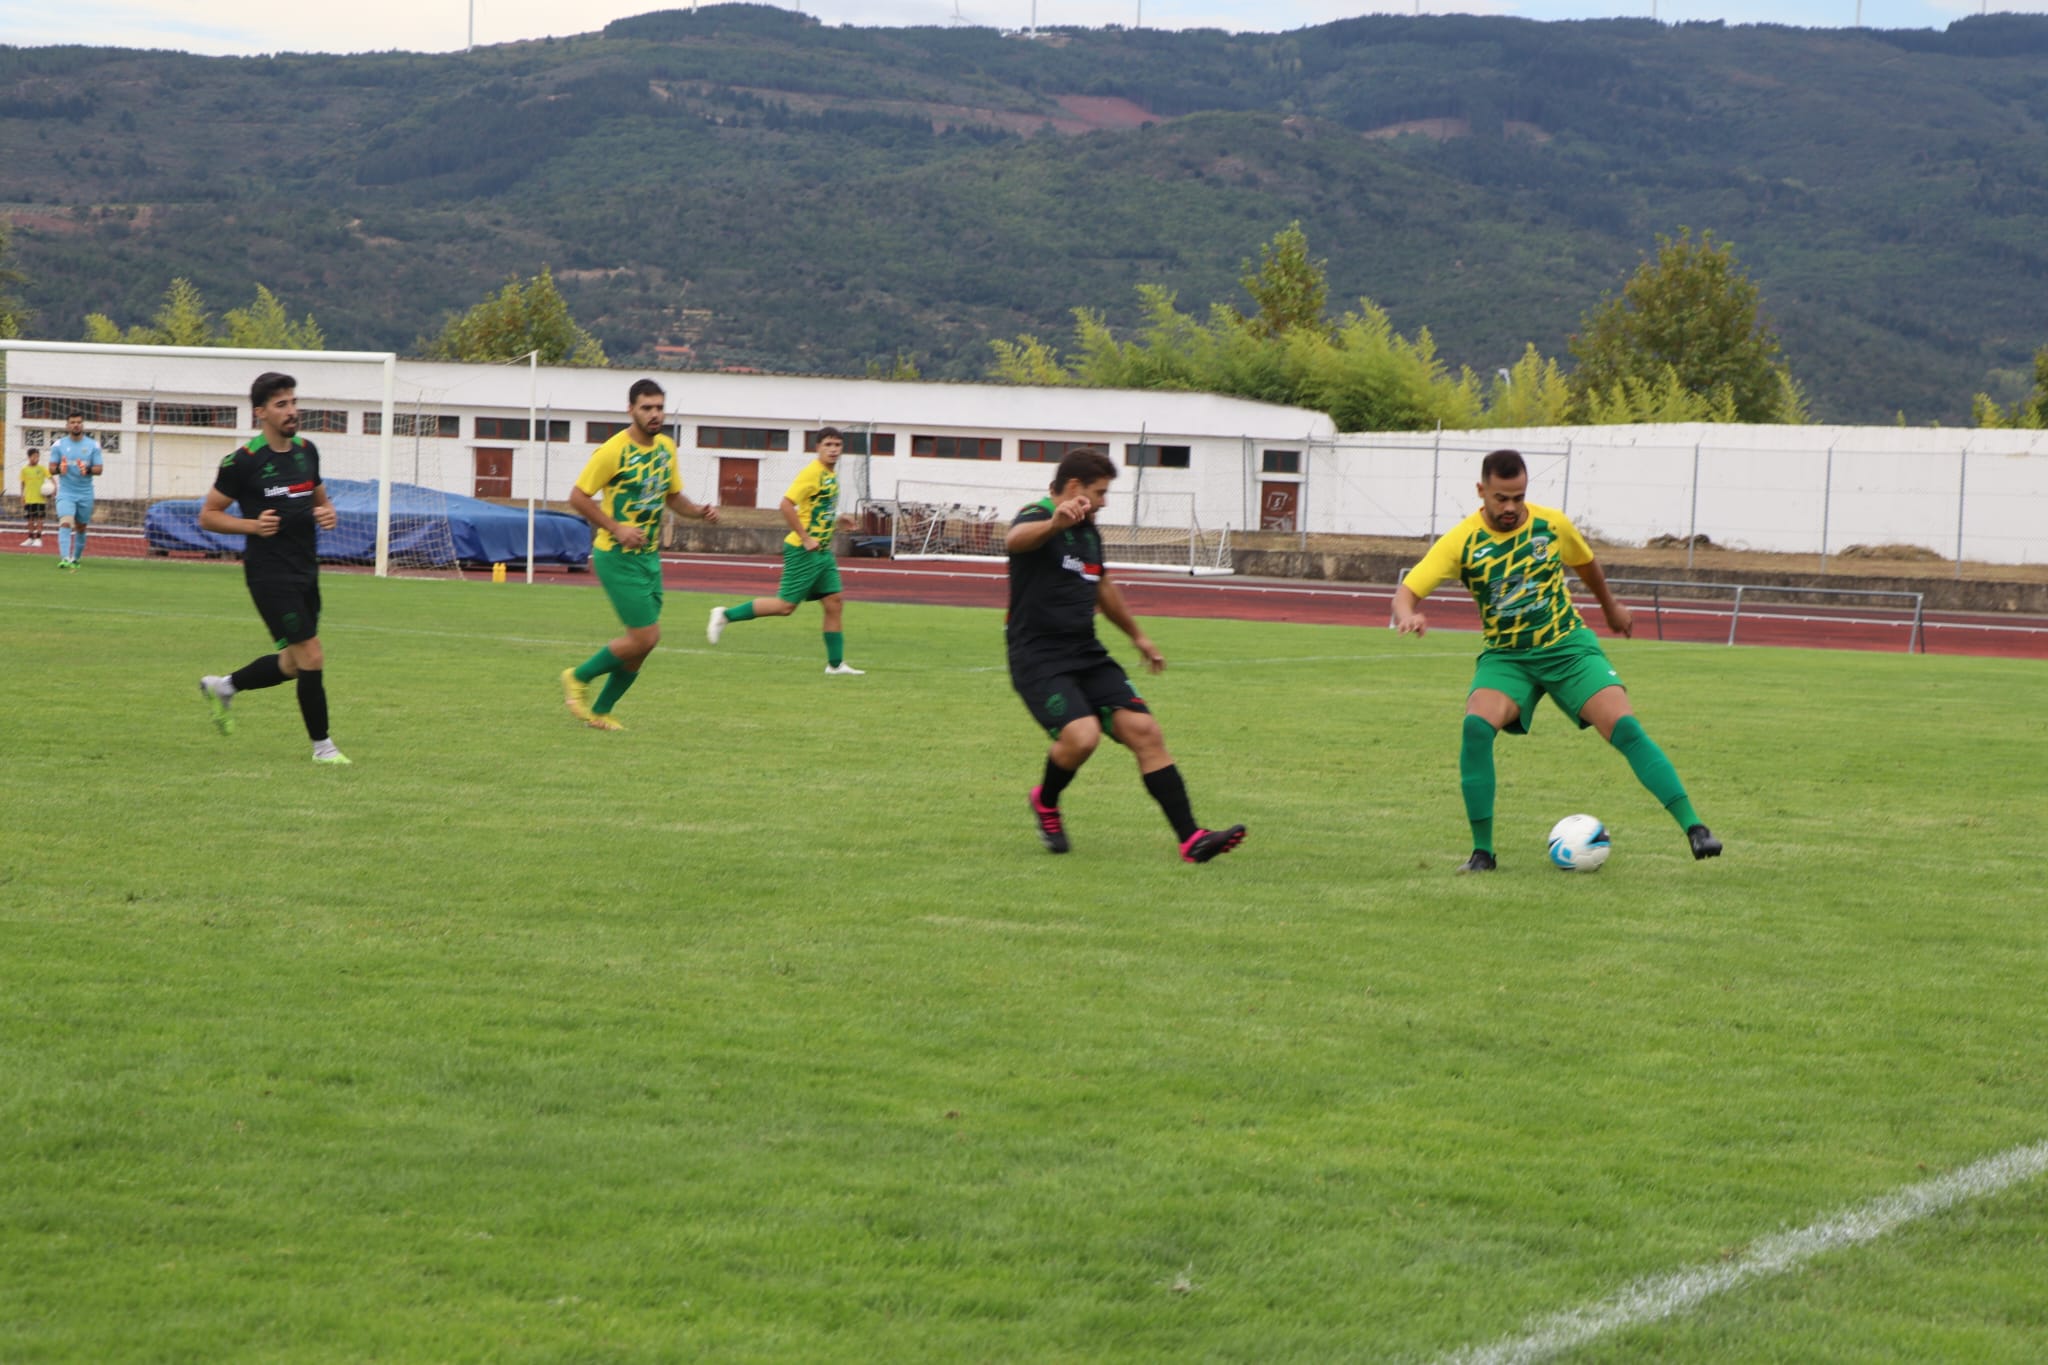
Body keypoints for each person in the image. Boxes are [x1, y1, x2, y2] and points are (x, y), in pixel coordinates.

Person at [1391, 448, 1722, 871]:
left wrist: (1610, 608)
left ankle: (1695, 828)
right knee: (1476, 727)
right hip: (1507, 657)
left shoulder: (1552, 525)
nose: (1510, 507)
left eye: (1518, 497)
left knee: (1624, 727)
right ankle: (1482, 854)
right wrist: (1408, 616)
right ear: (1481, 491)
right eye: (1500, 498)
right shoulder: (1462, 541)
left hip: (1567, 647)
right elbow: (1406, 593)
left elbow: (1587, 566)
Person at [1006, 448, 1246, 863]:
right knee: (1082, 737)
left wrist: (1138, 636)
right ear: (1075, 487)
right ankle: (1045, 801)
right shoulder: (1036, 513)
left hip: (1085, 651)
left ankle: (1191, 839)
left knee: (1146, 732)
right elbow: (1014, 542)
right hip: (1038, 654)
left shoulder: (1089, 533)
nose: (1104, 500)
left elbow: (1102, 587)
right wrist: (1053, 523)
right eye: (1100, 492)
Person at [195, 372, 350, 765]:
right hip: (268, 573)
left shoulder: (307, 451)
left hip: (306, 568)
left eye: (293, 402)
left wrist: (326, 513)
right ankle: (323, 748)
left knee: (294, 664)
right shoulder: (242, 463)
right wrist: (251, 526)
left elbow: (320, 500)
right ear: (260, 412)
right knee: (312, 655)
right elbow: (209, 516)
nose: (292, 411)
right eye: (281, 405)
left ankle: (224, 687)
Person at [559, 378, 719, 731]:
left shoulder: (666, 448)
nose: (655, 414)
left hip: (648, 557)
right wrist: (616, 527)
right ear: (630, 409)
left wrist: (699, 512)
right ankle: (578, 677)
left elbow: (673, 496)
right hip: (615, 555)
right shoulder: (612, 451)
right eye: (647, 407)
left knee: (641, 646)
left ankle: (601, 712)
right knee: (646, 637)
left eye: (659, 407)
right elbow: (578, 496)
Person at [705, 426, 863, 675]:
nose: (833, 450)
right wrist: (805, 537)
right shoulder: (812, 473)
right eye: (828, 445)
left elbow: (817, 508)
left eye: (837, 445)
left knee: (834, 602)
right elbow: (786, 504)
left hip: (822, 552)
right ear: (817, 448)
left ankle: (835, 665)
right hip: (804, 550)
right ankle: (725, 615)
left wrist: (839, 518)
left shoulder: (829, 476)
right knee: (785, 606)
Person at [48, 413, 105, 569]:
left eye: (78, 422)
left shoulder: (93, 445)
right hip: (66, 492)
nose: (76, 425)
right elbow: (51, 468)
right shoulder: (59, 445)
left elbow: (99, 469)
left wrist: (86, 469)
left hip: (85, 493)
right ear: (67, 426)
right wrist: (60, 468)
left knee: (81, 527)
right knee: (65, 523)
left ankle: (76, 558)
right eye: (72, 422)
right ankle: (65, 558)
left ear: (82, 425)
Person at [19, 447, 49, 547]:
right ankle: (30, 538)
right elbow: (22, 483)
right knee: (30, 519)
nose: (36, 458)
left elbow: (50, 478)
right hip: (29, 498)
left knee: (40, 518)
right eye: (34, 456)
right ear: (29, 457)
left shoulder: (42, 469)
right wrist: (22, 496)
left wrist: (52, 490)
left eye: (38, 456)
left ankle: (38, 538)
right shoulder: (24, 470)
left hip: (40, 499)